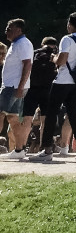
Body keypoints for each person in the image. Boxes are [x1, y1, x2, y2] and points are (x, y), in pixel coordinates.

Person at [33, 12, 76, 161]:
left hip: (63, 80)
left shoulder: (67, 39)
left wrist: (53, 58)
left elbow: (61, 60)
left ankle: (47, 149)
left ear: (69, 24)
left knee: (51, 113)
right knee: (74, 114)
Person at [2, 19, 34, 160]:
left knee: (1, 114)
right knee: (13, 118)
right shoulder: (16, 43)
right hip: (14, 86)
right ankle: (19, 149)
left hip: (13, 86)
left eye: (10, 28)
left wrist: (20, 87)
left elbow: (28, 64)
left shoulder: (22, 44)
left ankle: (19, 149)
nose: (6, 30)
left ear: (19, 30)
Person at [24, 37, 57, 153]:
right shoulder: (55, 56)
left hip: (32, 89)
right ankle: (44, 146)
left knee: (27, 118)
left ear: (43, 44)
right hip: (48, 90)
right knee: (45, 120)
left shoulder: (35, 53)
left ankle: (21, 146)